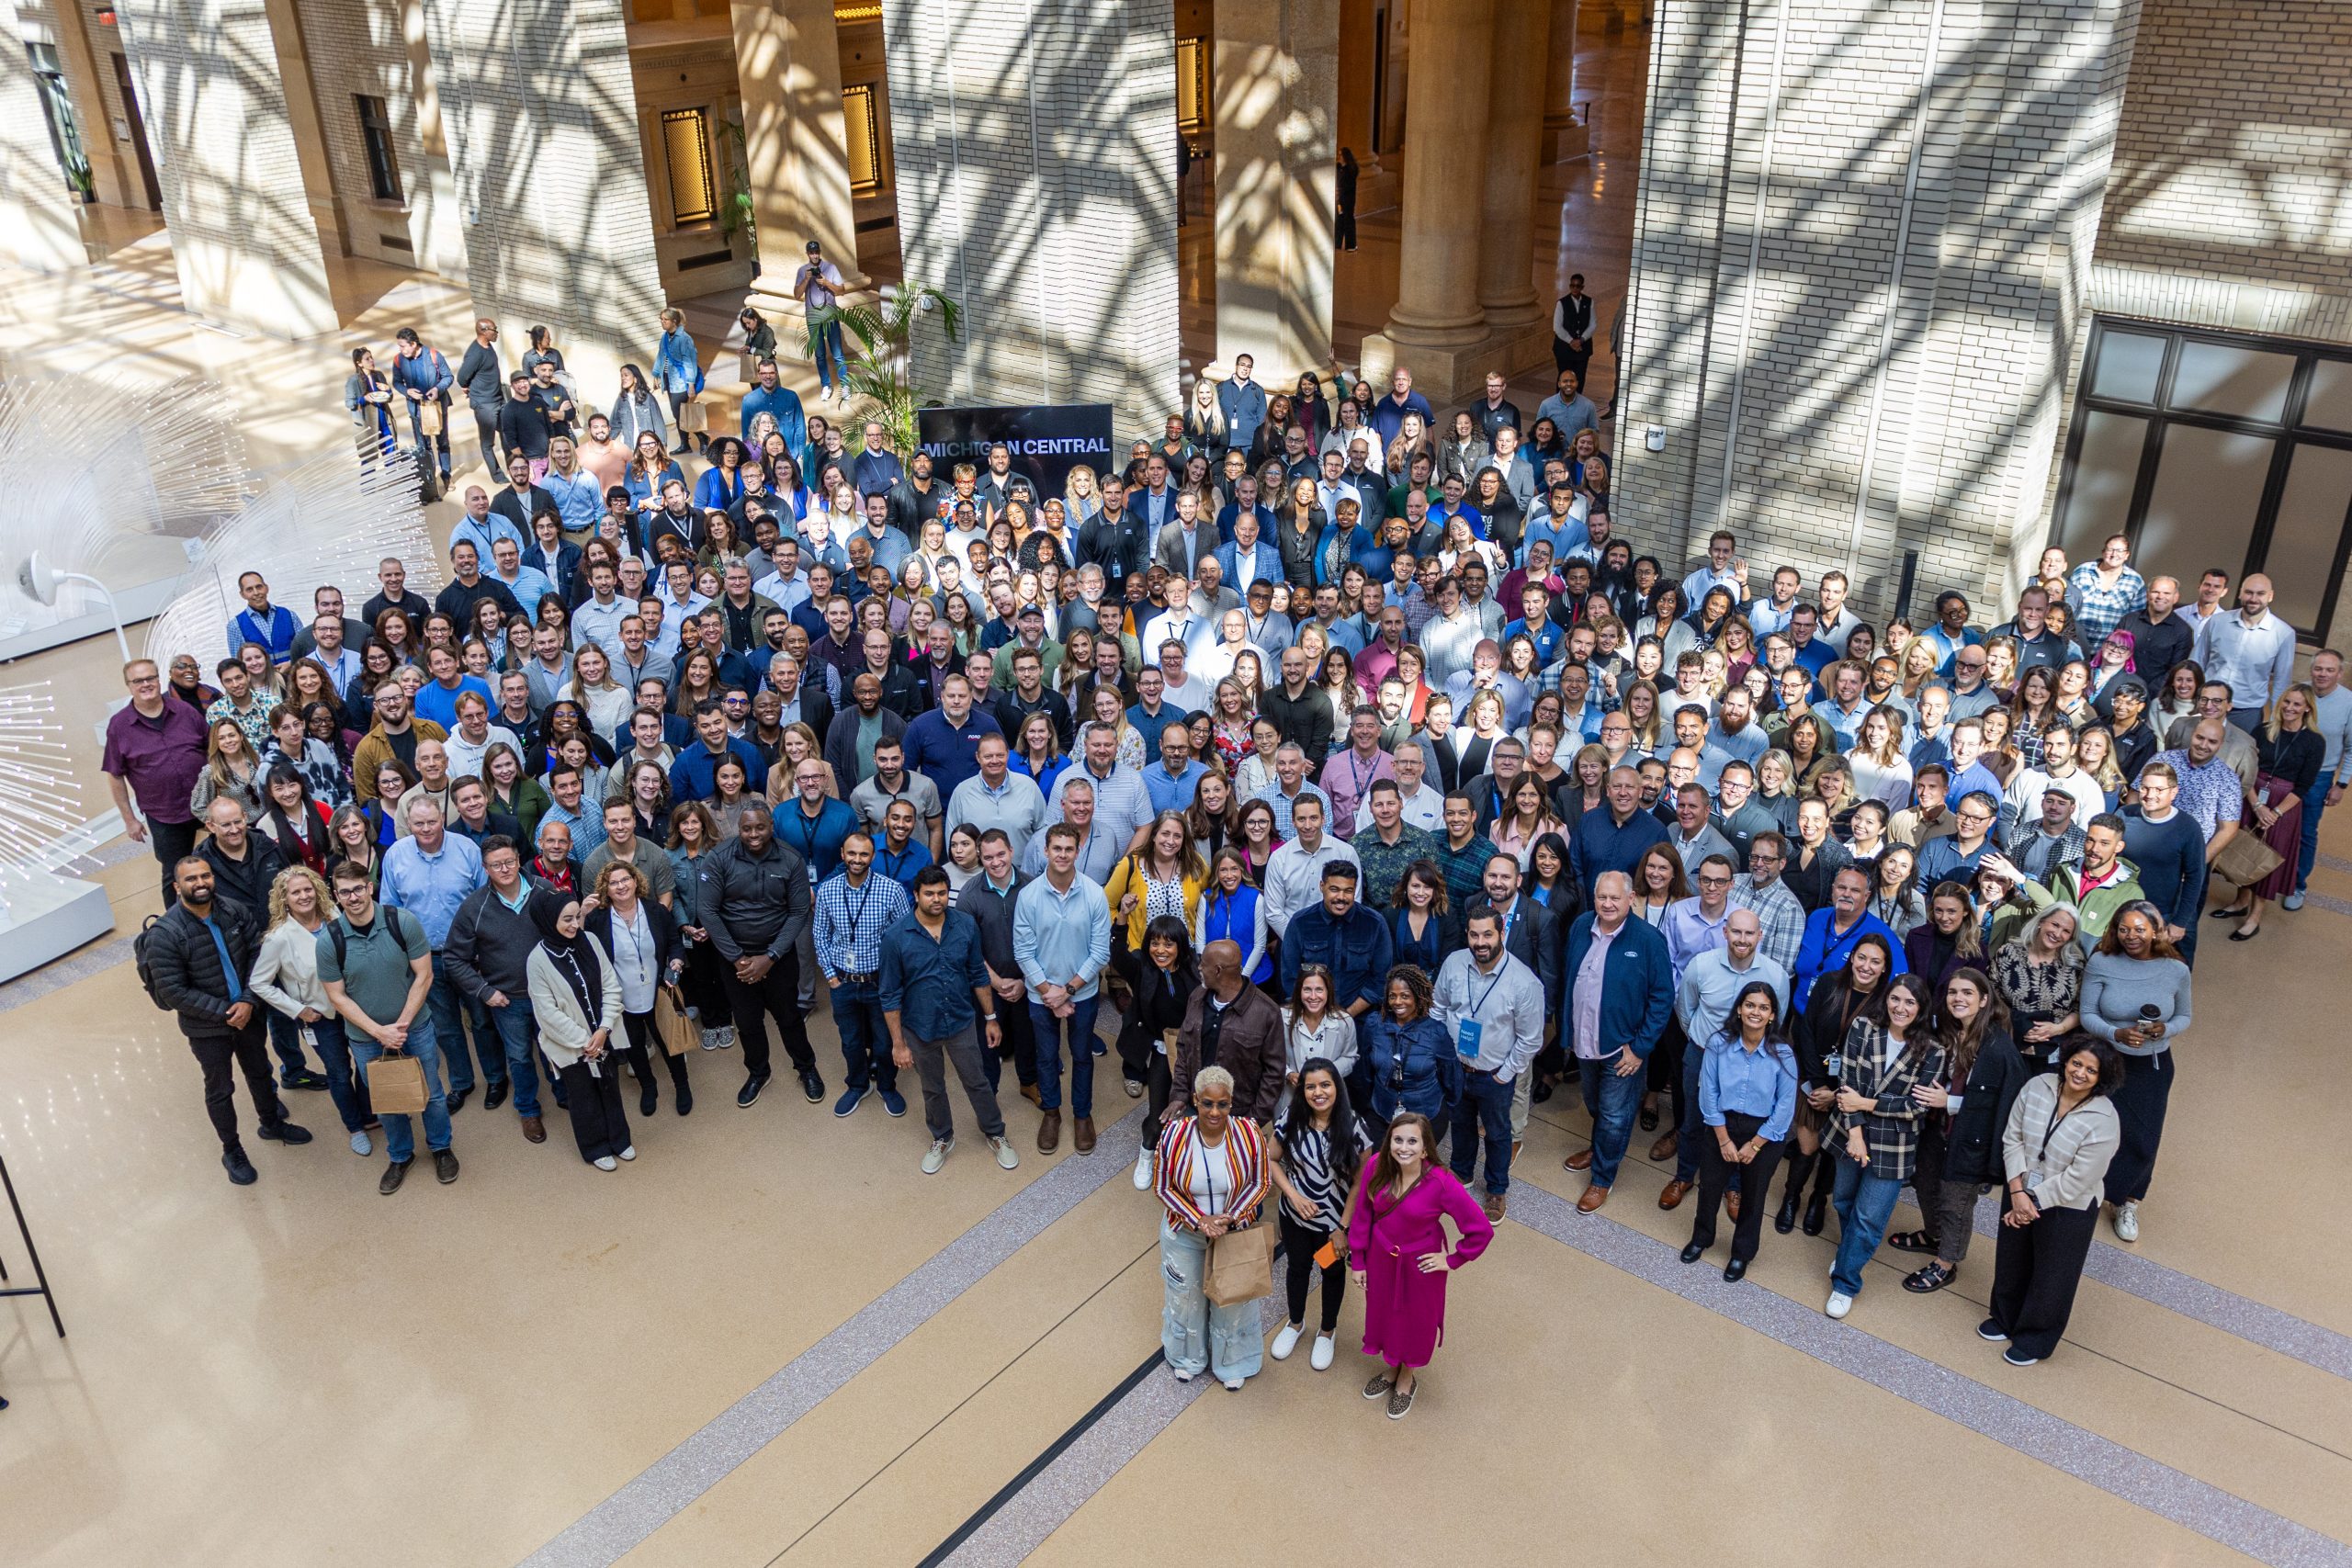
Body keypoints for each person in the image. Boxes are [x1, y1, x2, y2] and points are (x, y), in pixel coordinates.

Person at [145, 855, 313, 1184]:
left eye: (205, 876)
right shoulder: (165, 934)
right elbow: (172, 991)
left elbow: (257, 954)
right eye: (191, 879)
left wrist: (248, 1001)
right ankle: (232, 1149)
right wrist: (227, 1012)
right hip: (207, 1027)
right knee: (220, 1087)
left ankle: (271, 1123)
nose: (201, 883)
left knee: (260, 1072)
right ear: (177, 887)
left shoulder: (234, 910)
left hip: (248, 1014)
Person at [318, 859, 458, 1195]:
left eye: (358, 889)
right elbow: (337, 997)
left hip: (416, 1029)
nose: (353, 897)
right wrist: (380, 1032)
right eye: (345, 892)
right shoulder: (329, 940)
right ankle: (400, 1155)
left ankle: (441, 1147)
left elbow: (424, 976)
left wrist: (402, 1024)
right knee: (387, 1100)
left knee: (433, 1094)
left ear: (370, 887)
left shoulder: (402, 922)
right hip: (366, 1040)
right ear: (336, 896)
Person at [1346, 1111, 1494, 1420]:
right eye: (1397, 1140)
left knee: (1415, 1321)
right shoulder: (1376, 1167)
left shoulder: (1441, 1182)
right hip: (1380, 1257)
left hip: (1420, 1266)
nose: (1404, 1147)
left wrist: (1452, 1259)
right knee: (1383, 1312)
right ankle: (1391, 1366)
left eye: (1412, 1141)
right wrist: (1358, 1260)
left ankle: (1406, 1377)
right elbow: (1363, 1216)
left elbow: (1480, 1229)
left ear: (1425, 1148)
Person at [1984, 1040, 2123, 1366]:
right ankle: (2004, 1318)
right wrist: (2017, 1190)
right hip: (2020, 1187)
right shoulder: (2037, 1085)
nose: (2081, 1073)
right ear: (2066, 1061)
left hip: (2067, 1205)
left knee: (2053, 1275)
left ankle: (2035, 1339)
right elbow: (2012, 1137)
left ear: (2102, 1077)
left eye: (2091, 1070)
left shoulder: (2105, 1118)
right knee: (2011, 1258)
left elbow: (2081, 1177)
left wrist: (2029, 1200)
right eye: (2077, 1063)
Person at [1894, 967, 2030, 1292]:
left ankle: (1946, 1263)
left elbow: (2004, 1105)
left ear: (1984, 1000)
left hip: (1971, 1142)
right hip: (1936, 1132)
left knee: (1956, 1205)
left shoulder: (1999, 1049)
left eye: (1967, 993)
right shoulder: (1948, 1032)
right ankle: (1933, 1236)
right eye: (1953, 992)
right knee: (1926, 1187)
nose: (1958, 998)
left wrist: (1950, 1102)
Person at [881, 864, 1018, 1174]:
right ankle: (942, 1137)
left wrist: (991, 1018)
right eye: (929, 894)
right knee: (932, 1087)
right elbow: (889, 994)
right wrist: (898, 1044)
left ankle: (995, 1133)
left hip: (960, 1022)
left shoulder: (966, 925)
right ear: (915, 895)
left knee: (978, 1081)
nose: (936, 899)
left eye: (942, 893)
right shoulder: (896, 937)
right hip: (919, 1028)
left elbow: (978, 974)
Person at [1823, 974, 1944, 1319]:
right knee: (1844, 1201)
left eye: (1910, 1002)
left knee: (1869, 1218)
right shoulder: (1863, 1028)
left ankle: (1845, 1282)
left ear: (1920, 1008)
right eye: (1895, 999)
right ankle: (1849, 1252)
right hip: (1851, 1133)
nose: (1900, 1007)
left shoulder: (1933, 1051)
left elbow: (1916, 1107)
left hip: (1895, 1147)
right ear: (1886, 999)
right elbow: (1846, 1083)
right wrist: (1857, 1131)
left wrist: (1865, 1103)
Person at [1153, 1064, 1272, 1391]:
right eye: (1207, 1103)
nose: (1215, 1111)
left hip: (1232, 1233)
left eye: (1222, 1104)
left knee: (1232, 1299)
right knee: (1186, 1297)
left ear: (1231, 1103)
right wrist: (1198, 1219)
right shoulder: (1174, 1135)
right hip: (1185, 1234)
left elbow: (1261, 1182)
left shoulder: (1250, 1133)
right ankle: (1188, 1358)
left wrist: (1230, 1216)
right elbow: (1163, 1187)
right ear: (1195, 1100)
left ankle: (1232, 1362)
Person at [1562, 871, 1677, 1211]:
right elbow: (1571, 978)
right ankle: (1601, 1148)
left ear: (1631, 899)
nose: (1607, 904)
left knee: (1614, 1114)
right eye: (1602, 897)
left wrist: (1640, 1048)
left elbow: (1662, 998)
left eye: (1615, 898)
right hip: (1584, 1040)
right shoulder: (1582, 925)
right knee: (1595, 1104)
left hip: (1622, 1049)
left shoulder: (1648, 940)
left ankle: (1602, 1178)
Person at [2076, 902, 2190, 1245]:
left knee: (2144, 1137)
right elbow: (2087, 1013)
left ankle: (2128, 1201)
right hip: (2107, 1059)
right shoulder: (2102, 962)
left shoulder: (2175, 970)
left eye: (2139, 929)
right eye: (2124, 929)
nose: (2131, 936)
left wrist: (2164, 1029)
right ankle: (2085, 1188)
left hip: (2151, 1065)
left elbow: (2185, 1017)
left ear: (2155, 931)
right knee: (2093, 1129)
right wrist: (2116, 1034)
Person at [698, 801, 824, 1108]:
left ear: (771, 826)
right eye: (746, 828)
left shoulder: (791, 860)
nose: (753, 834)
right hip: (735, 962)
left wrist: (770, 957)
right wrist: (738, 959)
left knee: (790, 1018)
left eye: (760, 827)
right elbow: (707, 911)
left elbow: (797, 912)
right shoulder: (719, 858)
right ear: (739, 828)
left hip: (779, 958)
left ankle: (806, 1068)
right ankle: (758, 1072)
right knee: (748, 1022)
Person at [249, 864, 375, 1155]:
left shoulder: (334, 915)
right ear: (285, 899)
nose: (304, 896)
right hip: (320, 1018)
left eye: (308, 889)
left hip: (354, 1007)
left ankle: (369, 1115)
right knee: (339, 1073)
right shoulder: (279, 938)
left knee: (368, 1064)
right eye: (296, 892)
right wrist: (298, 1010)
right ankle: (355, 1127)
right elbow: (259, 983)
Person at [1432, 908, 1545, 1220]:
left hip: (1494, 1075)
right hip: (1456, 1068)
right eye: (1474, 934)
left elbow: (1530, 1039)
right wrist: (1442, 1057)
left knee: (1497, 1133)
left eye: (1487, 934)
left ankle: (1496, 1189)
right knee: (1461, 1124)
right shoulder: (1455, 963)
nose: (1480, 942)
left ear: (1501, 934)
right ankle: (1461, 1174)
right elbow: (1438, 1009)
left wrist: (1504, 1074)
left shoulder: (1524, 982)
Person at [1679, 981, 1798, 1280]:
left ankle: (1741, 1253)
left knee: (1753, 1195)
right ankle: (1701, 1238)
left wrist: (1755, 1144)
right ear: (1739, 1009)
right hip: (1722, 1124)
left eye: (1763, 1007)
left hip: (1764, 1133)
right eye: (1750, 1005)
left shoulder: (1782, 1054)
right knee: (1709, 1188)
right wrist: (1723, 1139)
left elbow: (1784, 1108)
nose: (1755, 1012)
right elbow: (1708, 1092)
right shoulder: (1719, 1043)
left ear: (1772, 1015)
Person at [439, 835, 552, 1143]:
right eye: (496, 865)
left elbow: (567, 935)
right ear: (485, 868)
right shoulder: (474, 907)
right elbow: (453, 957)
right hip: (509, 1001)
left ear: (519, 859)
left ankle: (566, 1093)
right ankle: (528, 1110)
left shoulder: (544, 890)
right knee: (519, 1058)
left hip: (549, 995)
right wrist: (484, 990)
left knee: (555, 1050)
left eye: (509, 862)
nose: (505, 869)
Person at [1012, 823, 1114, 1154]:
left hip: (1081, 994)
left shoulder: (1095, 894)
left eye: (1069, 849)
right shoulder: (1028, 896)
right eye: (1056, 848)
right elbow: (1023, 952)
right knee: (1046, 1056)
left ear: (1078, 850)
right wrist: (1049, 993)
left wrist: (1066, 991)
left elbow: (1100, 952)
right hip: (1040, 994)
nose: (1062, 854)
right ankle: (1052, 1113)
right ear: (1045, 851)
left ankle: (1082, 1115)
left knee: (1083, 1056)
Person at [1269, 1057, 1369, 1371]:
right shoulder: (1292, 1118)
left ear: (1337, 1087)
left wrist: (1342, 1227)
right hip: (1295, 1218)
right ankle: (1296, 1323)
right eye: (1311, 1086)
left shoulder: (1355, 1126)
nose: (1318, 1092)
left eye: (1325, 1084)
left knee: (1330, 1272)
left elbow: (1361, 1182)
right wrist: (1293, 1195)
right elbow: (1272, 1160)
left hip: (1332, 1227)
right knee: (1297, 1268)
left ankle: (1327, 1331)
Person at [525, 889, 634, 1168]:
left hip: (604, 1036)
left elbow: (611, 984)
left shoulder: (591, 941)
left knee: (611, 1088)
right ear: (549, 921)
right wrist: (586, 1041)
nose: (575, 924)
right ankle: (596, 1149)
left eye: (577, 917)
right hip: (571, 1047)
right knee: (584, 1097)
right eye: (567, 919)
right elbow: (547, 1013)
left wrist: (604, 1030)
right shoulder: (537, 960)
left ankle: (620, 1140)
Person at [813, 829, 912, 1118]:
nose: (857, 859)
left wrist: (896, 980)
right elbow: (820, 935)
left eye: (864, 854)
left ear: (872, 856)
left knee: (883, 1042)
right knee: (851, 1040)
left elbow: (904, 938)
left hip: (879, 982)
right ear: (843, 855)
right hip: (842, 981)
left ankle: (887, 1085)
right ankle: (857, 1085)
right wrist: (830, 975)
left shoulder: (891, 890)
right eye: (852, 853)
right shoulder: (827, 890)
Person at [584, 860, 694, 1118]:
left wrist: (676, 960)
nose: (621, 886)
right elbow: (583, 950)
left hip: (658, 991)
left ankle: (682, 1085)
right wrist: (581, 914)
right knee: (633, 1046)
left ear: (636, 881)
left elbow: (673, 943)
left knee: (669, 1041)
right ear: (605, 889)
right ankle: (648, 1086)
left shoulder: (656, 911)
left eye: (625, 880)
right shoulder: (598, 920)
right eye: (613, 883)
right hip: (622, 997)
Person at [104, 659, 212, 904]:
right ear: (129, 686)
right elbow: (115, 775)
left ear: (159, 679)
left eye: (150, 678)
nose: (146, 684)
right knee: (175, 875)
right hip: (164, 813)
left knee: (223, 858)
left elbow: (212, 750)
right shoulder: (119, 726)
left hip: (206, 803)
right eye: (138, 681)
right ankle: (177, 929)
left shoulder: (185, 712)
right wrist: (129, 820)